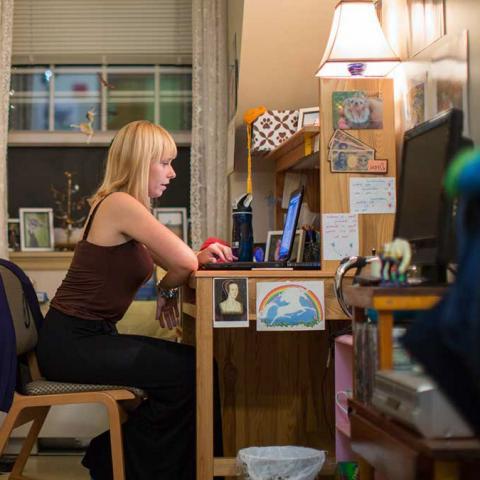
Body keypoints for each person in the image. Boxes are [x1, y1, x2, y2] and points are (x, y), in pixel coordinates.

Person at [36, 120, 233, 480]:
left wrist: (188, 266)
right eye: (164, 162)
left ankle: (141, 461)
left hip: (85, 338)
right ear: (141, 162)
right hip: (73, 342)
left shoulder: (122, 207)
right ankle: (111, 455)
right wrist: (170, 285)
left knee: (193, 365)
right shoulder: (119, 204)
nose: (172, 173)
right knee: (193, 370)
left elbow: (180, 259)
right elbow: (182, 263)